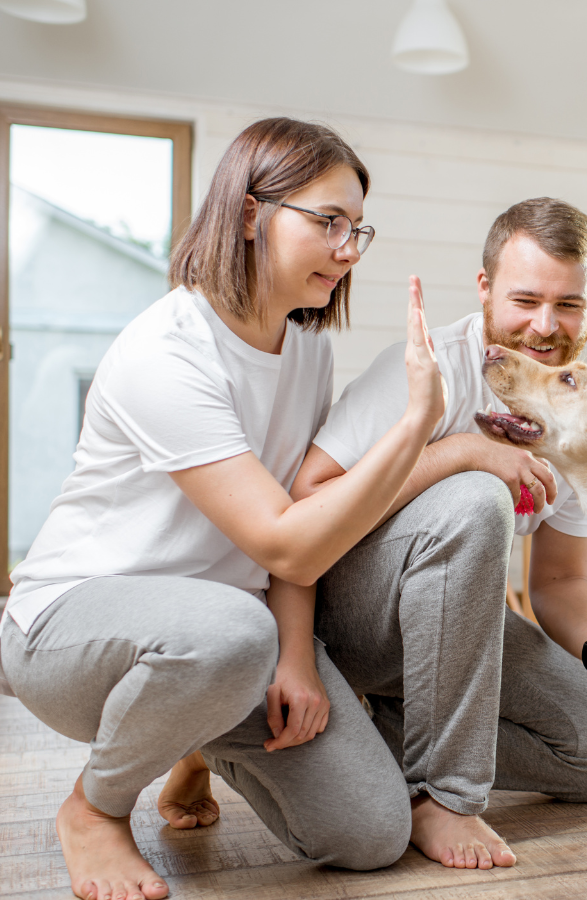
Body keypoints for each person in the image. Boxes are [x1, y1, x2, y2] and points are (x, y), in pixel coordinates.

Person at [0, 117, 445, 900]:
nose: (349, 249)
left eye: (358, 229)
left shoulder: (306, 348)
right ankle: (94, 809)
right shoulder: (165, 352)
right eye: (328, 222)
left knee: (372, 833)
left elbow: (298, 509)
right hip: (74, 629)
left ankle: (191, 742)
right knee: (236, 632)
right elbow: (286, 544)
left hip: (220, 645)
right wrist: (415, 425)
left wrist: (298, 660)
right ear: (248, 214)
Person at [276, 197, 587, 871]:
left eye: (568, 304)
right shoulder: (430, 366)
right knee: (476, 496)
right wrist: (462, 451)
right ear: (485, 287)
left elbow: (559, 580)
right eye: (525, 299)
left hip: (451, 634)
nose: (545, 326)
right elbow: (307, 501)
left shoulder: (582, 417)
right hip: (345, 619)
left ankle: (373, 733)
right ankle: (444, 796)